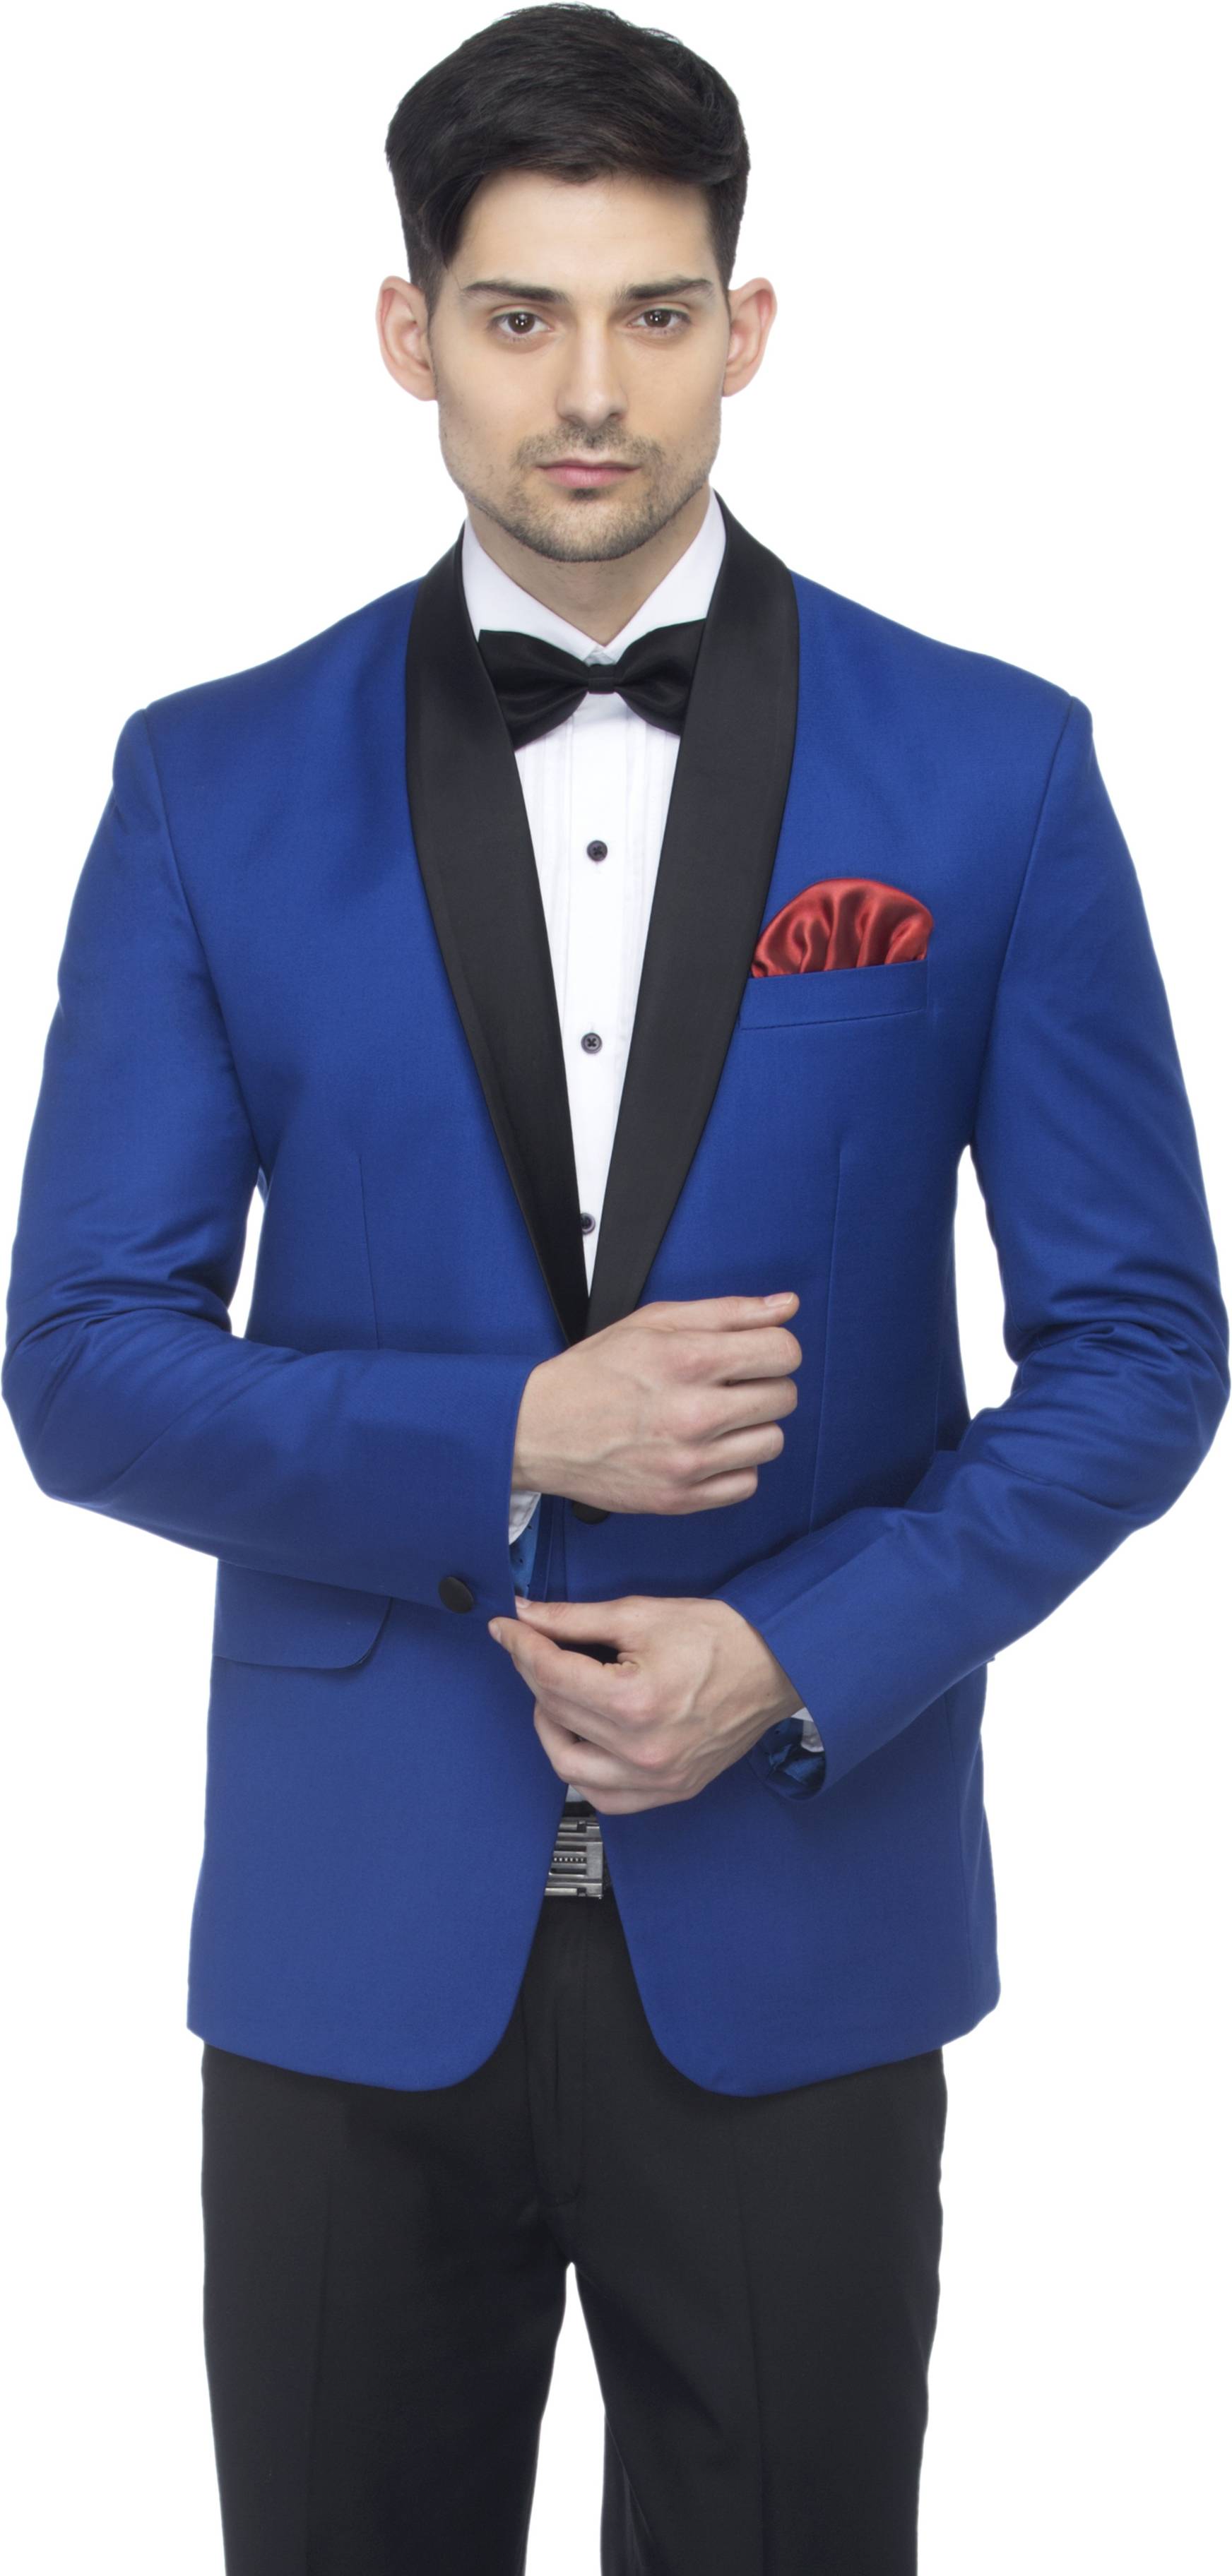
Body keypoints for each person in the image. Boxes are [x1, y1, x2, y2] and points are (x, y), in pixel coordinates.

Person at [4, 6, 1227, 2569]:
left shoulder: (993, 769)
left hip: (804, 1931)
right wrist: (507, 1437)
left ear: (746, 328)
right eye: (520, 315)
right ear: (410, 331)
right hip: (350, 1948)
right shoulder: (205, 784)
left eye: (656, 314)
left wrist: (797, 1651)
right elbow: (83, 1362)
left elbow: (1139, 1346)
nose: (590, 392)